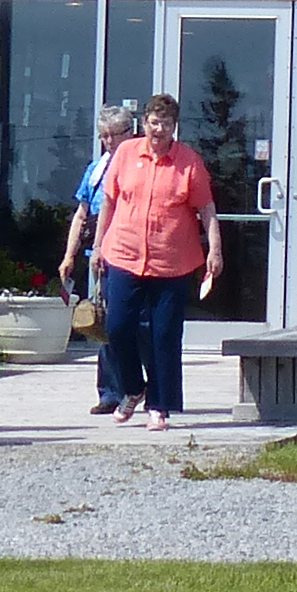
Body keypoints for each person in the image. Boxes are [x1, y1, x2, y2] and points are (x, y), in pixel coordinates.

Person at [92, 91, 219, 430]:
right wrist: (98, 246)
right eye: (152, 122)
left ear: (174, 127)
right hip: (124, 253)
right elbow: (109, 203)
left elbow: (206, 210)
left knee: (163, 335)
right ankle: (133, 388)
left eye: (165, 123)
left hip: (172, 261)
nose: (158, 129)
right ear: (143, 123)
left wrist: (215, 252)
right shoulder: (125, 153)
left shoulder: (188, 162)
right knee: (117, 327)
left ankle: (158, 406)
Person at [58, 104, 138, 414]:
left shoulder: (139, 166)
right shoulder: (96, 169)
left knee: (127, 324)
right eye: (103, 135)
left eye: (113, 135)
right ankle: (110, 392)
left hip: (129, 253)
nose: (108, 141)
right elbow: (81, 214)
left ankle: (140, 385)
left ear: (129, 134)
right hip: (98, 254)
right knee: (103, 322)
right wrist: (70, 255)